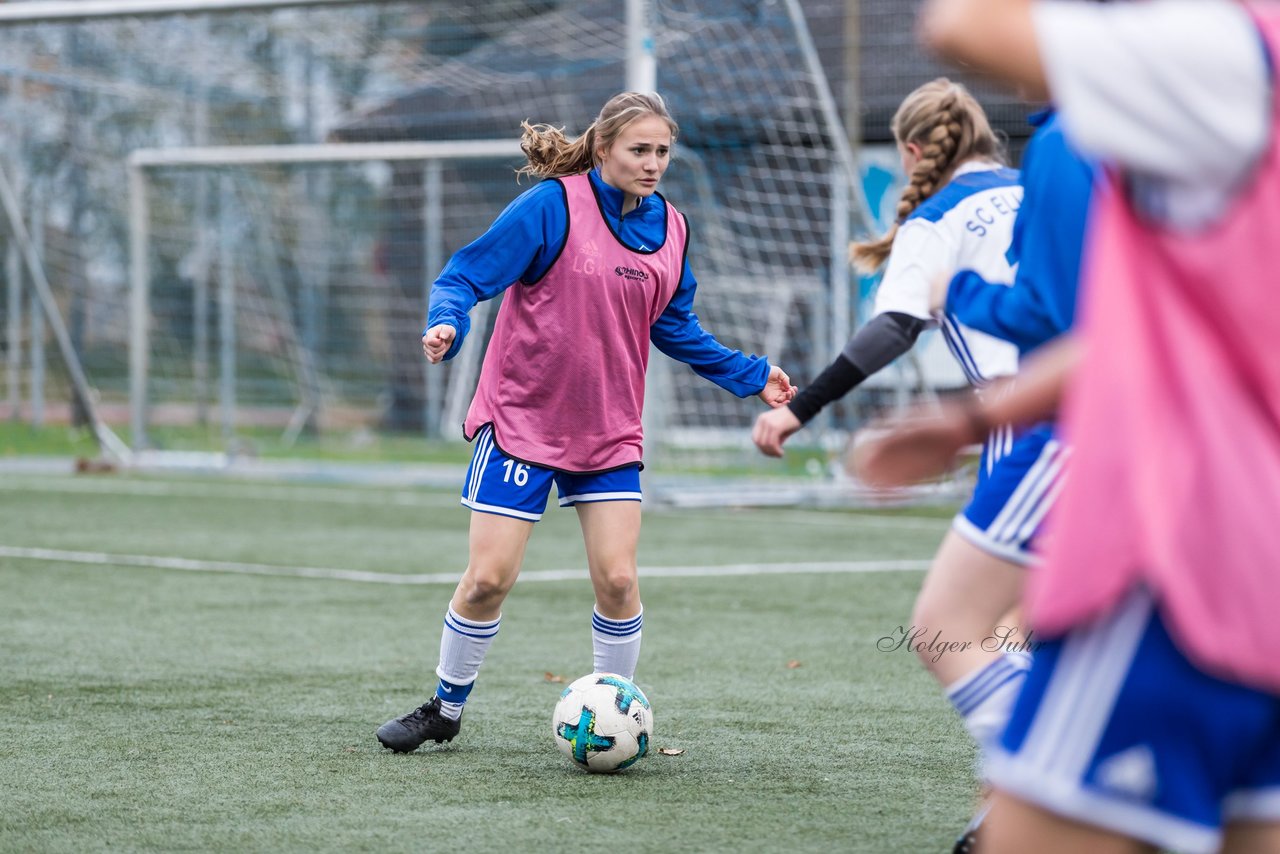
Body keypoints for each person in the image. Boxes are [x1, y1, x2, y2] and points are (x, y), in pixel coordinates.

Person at [859, 2, 1280, 852]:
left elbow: (963, 25)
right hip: (1252, 565)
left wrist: (961, 304)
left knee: (948, 624)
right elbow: (1169, 328)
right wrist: (976, 416)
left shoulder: (1218, 55)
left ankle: (1006, 769)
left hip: (1171, 574)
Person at [375, 91, 795, 754]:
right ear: (604, 150)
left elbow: (674, 326)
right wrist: (446, 323)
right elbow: (466, 274)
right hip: (523, 420)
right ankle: (445, 709)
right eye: (639, 150)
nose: (653, 163)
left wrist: (749, 375)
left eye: (662, 151)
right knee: (488, 578)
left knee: (620, 579)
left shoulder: (674, 229)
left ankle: (613, 713)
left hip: (606, 432)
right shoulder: (553, 206)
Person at [755, 77, 1049, 769]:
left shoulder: (936, 220)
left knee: (956, 628)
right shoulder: (1043, 185)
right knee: (1035, 629)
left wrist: (800, 408)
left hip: (1032, 427)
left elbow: (893, 328)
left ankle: (1042, 788)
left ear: (914, 152)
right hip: (1121, 409)